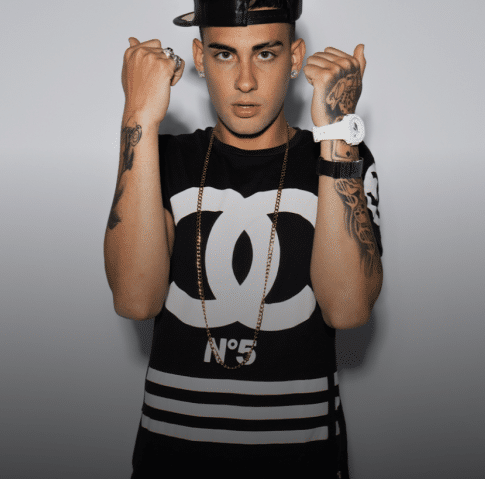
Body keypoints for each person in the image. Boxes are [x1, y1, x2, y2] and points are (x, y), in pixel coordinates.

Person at [103, 1, 383, 477]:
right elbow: (134, 299)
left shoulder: (339, 155)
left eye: (266, 54)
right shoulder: (163, 157)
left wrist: (337, 130)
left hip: (303, 462)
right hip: (171, 461)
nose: (246, 81)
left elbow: (348, 309)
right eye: (225, 55)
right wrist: (138, 118)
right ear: (200, 57)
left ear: (296, 58)